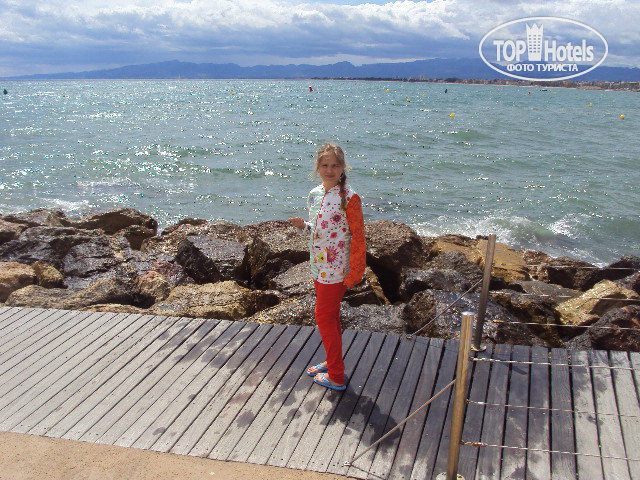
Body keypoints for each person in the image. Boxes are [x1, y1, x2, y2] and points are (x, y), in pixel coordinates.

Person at [289, 143, 366, 391]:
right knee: (330, 317)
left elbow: (358, 237)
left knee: (323, 317)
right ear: (317, 167)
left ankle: (336, 375)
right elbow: (319, 229)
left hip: (336, 270)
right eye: (325, 165)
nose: (329, 170)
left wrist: (356, 271)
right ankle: (333, 363)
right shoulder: (315, 194)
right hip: (318, 266)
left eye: (335, 165)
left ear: (343, 167)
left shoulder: (350, 198)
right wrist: (304, 226)